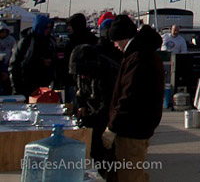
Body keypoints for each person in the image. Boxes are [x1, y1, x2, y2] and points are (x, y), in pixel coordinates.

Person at [103, 15, 164, 182]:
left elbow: (128, 97)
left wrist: (112, 126)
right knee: (133, 174)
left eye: (115, 41)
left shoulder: (138, 58)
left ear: (123, 38)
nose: (115, 46)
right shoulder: (141, 54)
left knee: (130, 176)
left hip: (132, 128)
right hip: (137, 126)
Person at [70, 43, 120, 175]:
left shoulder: (108, 72)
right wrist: (81, 106)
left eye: (83, 74)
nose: (82, 77)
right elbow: (80, 92)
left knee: (109, 156)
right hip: (95, 113)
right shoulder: (82, 71)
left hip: (112, 119)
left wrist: (89, 119)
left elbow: (108, 105)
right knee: (95, 151)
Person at [10, 14, 56, 97]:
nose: (48, 30)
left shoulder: (50, 41)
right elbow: (15, 64)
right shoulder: (26, 41)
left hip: (44, 84)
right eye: (46, 27)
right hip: (26, 83)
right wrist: (16, 86)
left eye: (50, 27)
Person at [62, 13, 99, 102]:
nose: (68, 28)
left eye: (69, 26)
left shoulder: (77, 42)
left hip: (82, 81)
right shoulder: (92, 39)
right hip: (76, 80)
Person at [0, 23, 17, 94]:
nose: (3, 34)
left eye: (5, 32)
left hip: (8, 63)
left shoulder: (11, 40)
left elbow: (14, 50)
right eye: (2, 32)